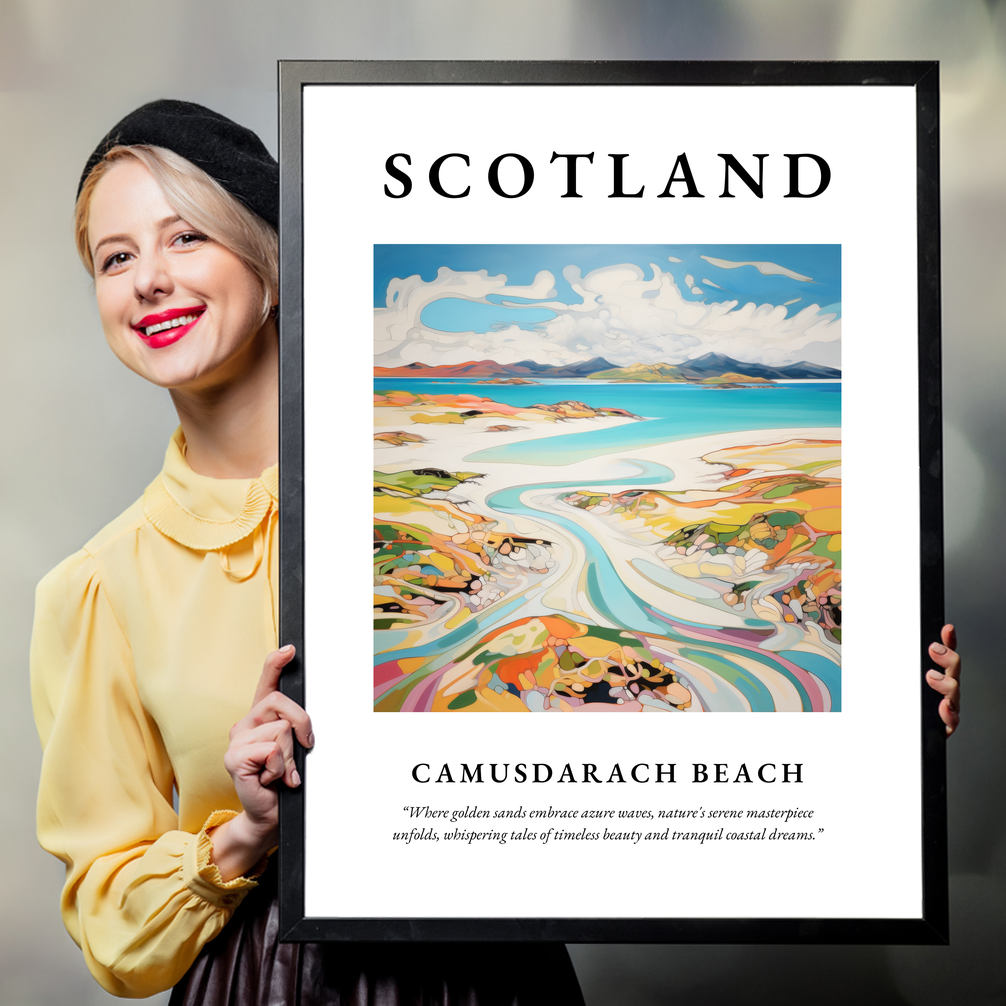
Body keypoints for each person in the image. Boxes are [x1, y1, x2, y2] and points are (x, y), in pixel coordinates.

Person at [30, 100, 586, 1004]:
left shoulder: (445, 492)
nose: (148, 281)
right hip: (262, 982)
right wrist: (245, 832)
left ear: (273, 263)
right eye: (116, 257)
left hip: (493, 973)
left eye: (185, 239)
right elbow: (110, 924)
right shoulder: (97, 587)